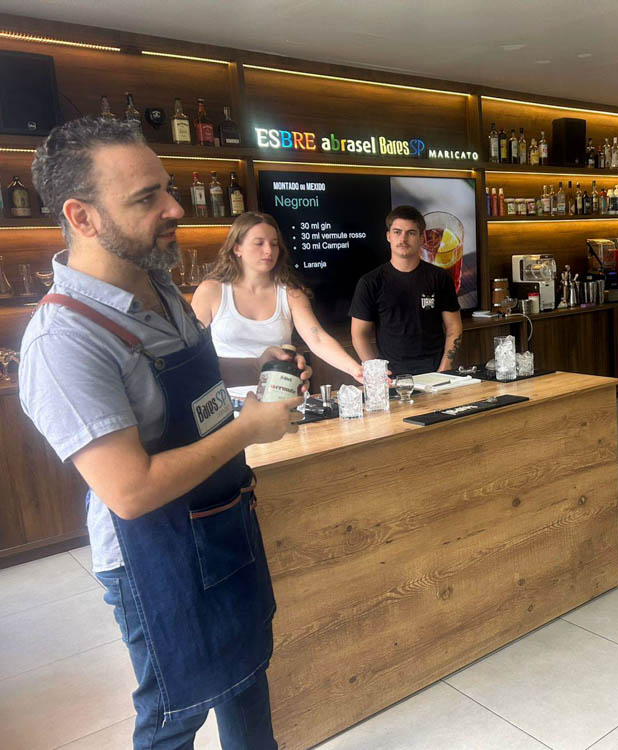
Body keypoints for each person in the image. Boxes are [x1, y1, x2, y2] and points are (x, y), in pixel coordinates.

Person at [19, 116, 310, 749]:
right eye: (146, 197)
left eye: (168, 189)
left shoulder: (157, 285)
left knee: (246, 674)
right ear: (82, 216)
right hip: (154, 557)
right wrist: (248, 428)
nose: (175, 208)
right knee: (176, 714)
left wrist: (254, 367)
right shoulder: (65, 341)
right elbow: (130, 491)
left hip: (222, 518)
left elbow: (192, 375)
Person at [192, 211, 363, 384]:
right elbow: (191, 352)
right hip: (227, 396)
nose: (268, 250)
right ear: (237, 248)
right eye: (259, 243)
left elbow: (317, 339)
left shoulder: (291, 294)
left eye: (274, 244)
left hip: (280, 392)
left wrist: (356, 370)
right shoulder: (211, 291)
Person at [349, 205, 463, 375]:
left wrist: (445, 367)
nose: (403, 239)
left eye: (411, 233)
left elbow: (454, 326)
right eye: (397, 232)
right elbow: (359, 335)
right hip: (391, 376)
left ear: (421, 238)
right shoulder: (370, 282)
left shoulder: (440, 278)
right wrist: (377, 373)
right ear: (388, 236)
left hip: (435, 373)